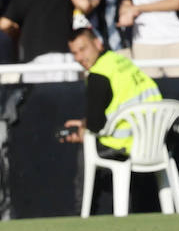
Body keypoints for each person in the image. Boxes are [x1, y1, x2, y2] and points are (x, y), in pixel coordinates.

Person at [62, 26, 162, 159]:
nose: (79, 57)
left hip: (126, 146)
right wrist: (84, 123)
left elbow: (95, 126)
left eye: (82, 49)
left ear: (97, 43)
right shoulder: (120, 60)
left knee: (87, 148)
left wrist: (82, 131)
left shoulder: (98, 74)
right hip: (155, 143)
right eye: (74, 53)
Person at [0, 0, 90, 81]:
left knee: (39, 99)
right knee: (64, 98)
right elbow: (84, 4)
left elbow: (4, 24)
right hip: (61, 52)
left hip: (33, 56)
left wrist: (18, 33)